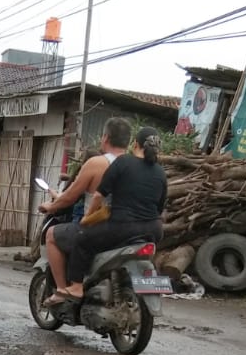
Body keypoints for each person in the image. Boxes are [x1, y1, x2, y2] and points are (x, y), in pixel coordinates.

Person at [48, 125, 167, 304]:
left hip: (122, 227)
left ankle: (76, 287)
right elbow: (159, 207)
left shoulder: (124, 162)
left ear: (135, 144)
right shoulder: (160, 172)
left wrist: (88, 217)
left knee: (82, 239)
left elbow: (98, 195)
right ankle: (150, 288)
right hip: (154, 230)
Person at [39, 117, 131, 299]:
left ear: (105, 138)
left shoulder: (96, 163)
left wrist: (51, 206)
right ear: (129, 142)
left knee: (51, 234)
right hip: (128, 229)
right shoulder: (135, 165)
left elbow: (69, 197)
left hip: (97, 229)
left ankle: (62, 290)